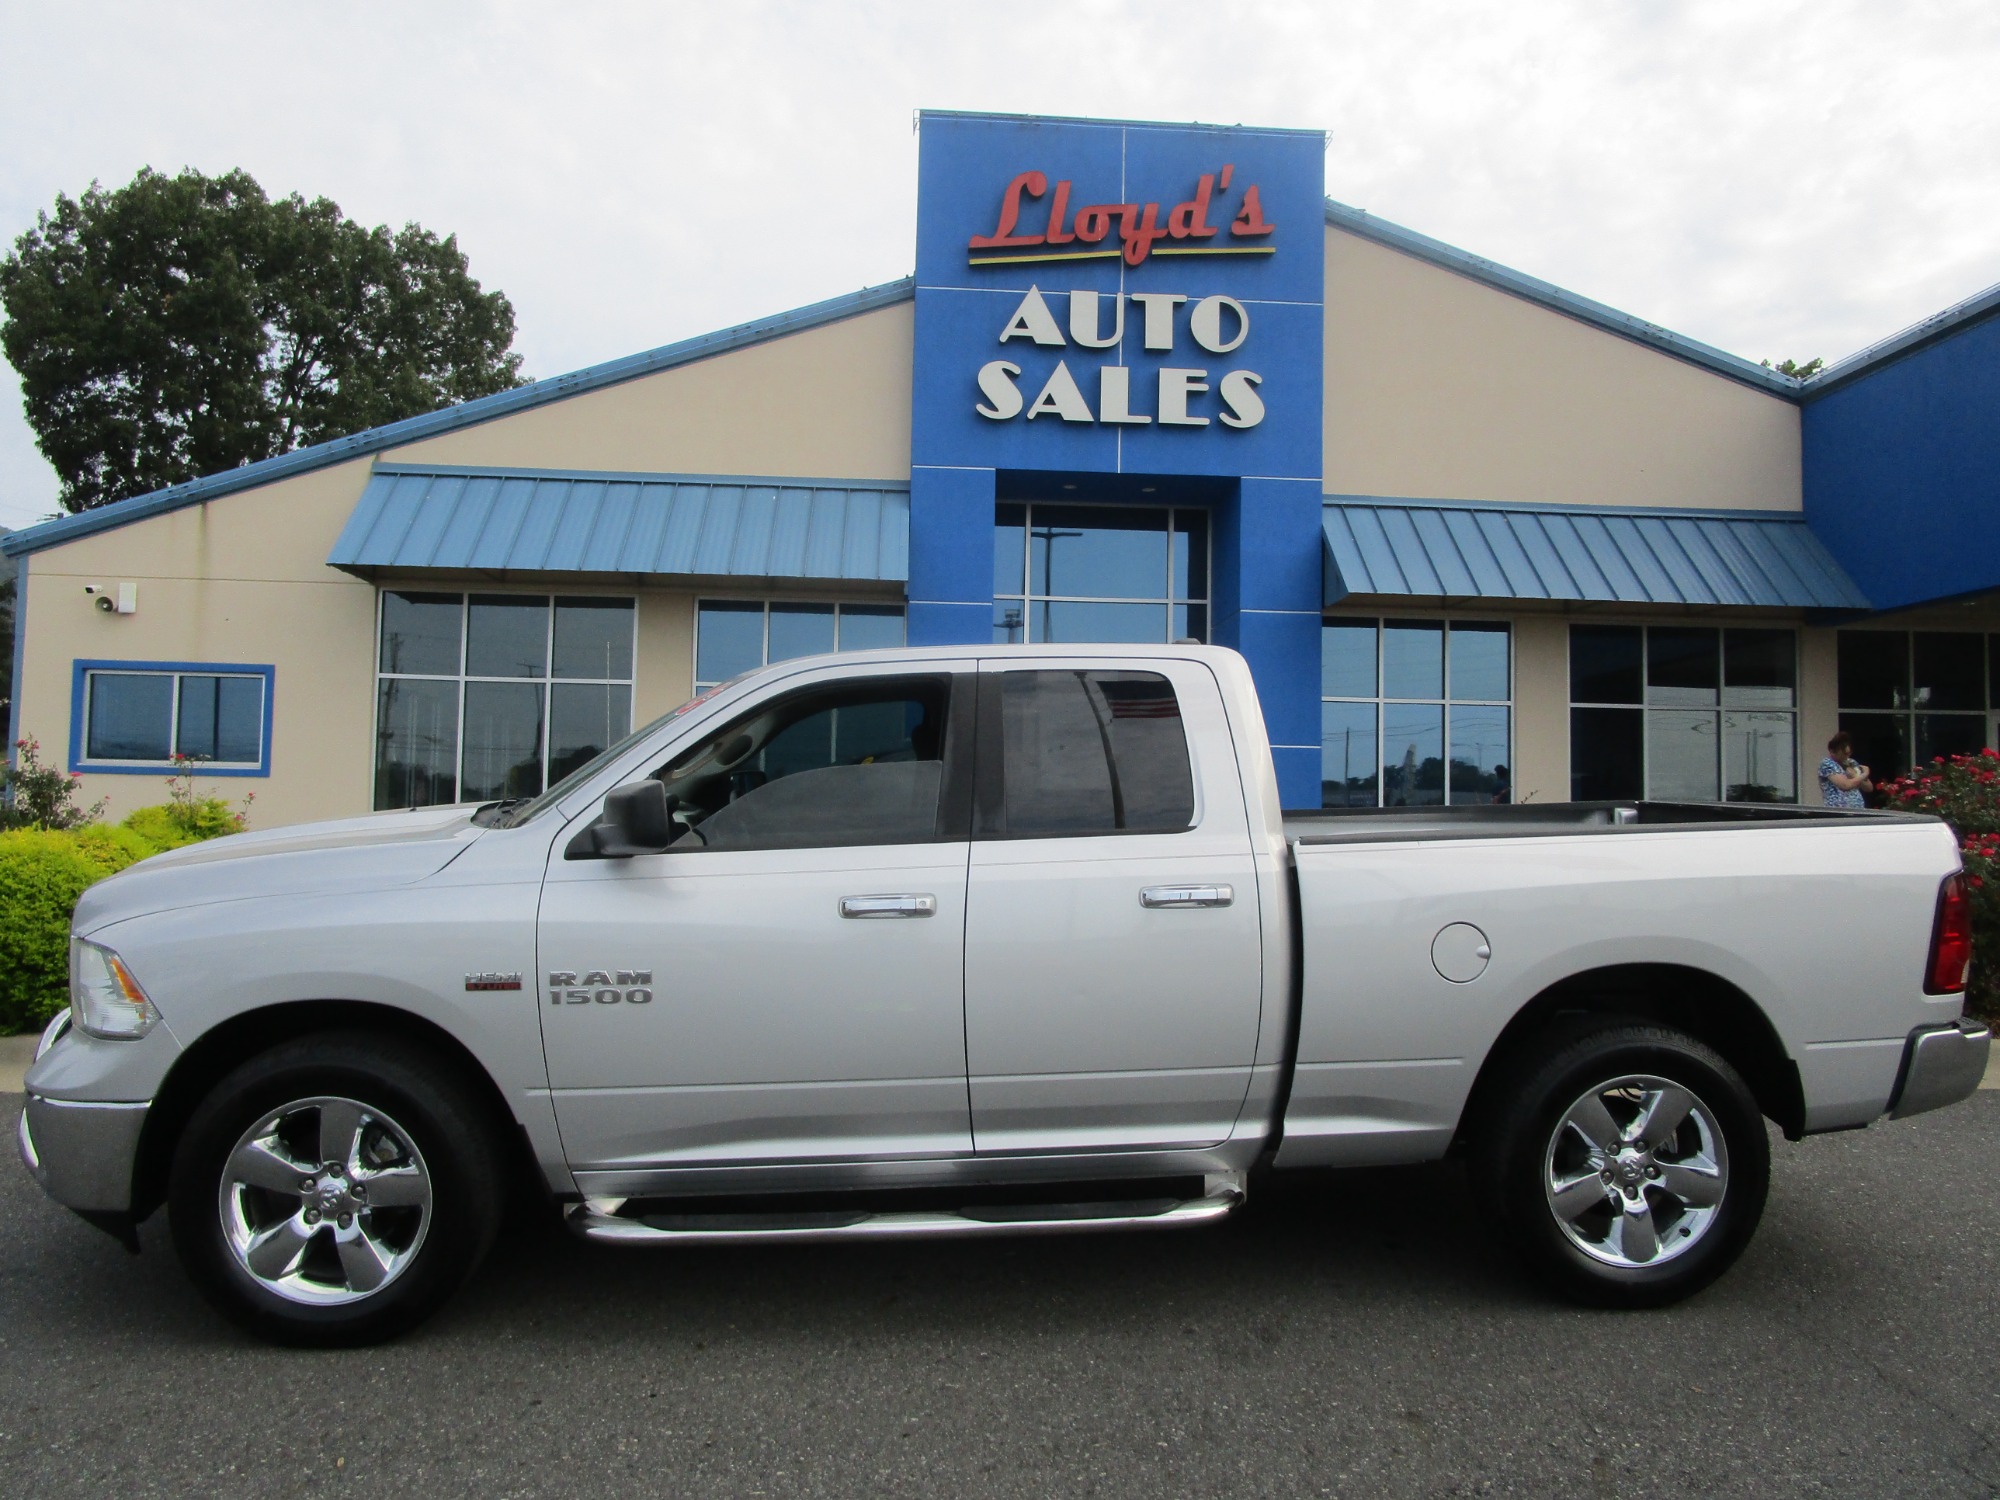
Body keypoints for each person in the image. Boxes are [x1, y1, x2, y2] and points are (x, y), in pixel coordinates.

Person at [1819, 732, 1872, 809]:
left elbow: (1869, 788)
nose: (1846, 757)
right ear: (1832, 751)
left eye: (1848, 754)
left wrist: (1855, 776)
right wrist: (1864, 775)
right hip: (1838, 811)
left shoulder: (1851, 762)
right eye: (1843, 754)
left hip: (1857, 810)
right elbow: (1845, 785)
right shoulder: (1827, 764)